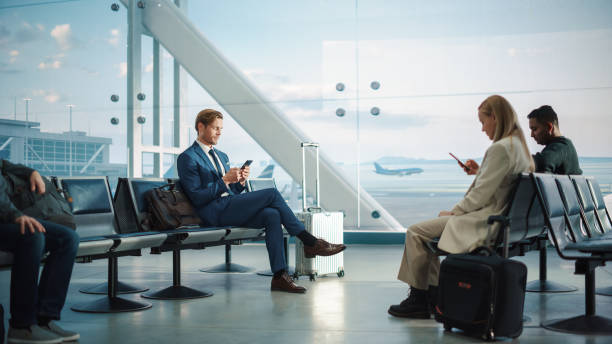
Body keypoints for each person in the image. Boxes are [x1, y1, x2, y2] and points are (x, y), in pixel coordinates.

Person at [388, 95, 534, 318]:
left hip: (486, 222)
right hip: (505, 222)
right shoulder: (519, 149)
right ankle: (433, 297)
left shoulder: (500, 149)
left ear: (494, 117)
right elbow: (499, 184)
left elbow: (480, 195)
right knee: (429, 232)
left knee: (416, 232)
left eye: (483, 122)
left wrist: (454, 212)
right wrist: (480, 171)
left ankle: (420, 299)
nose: (483, 129)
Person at [177, 109, 346, 293]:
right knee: (272, 194)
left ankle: (279, 276)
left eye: (221, 128)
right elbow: (197, 197)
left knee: (271, 215)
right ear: (201, 127)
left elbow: (230, 191)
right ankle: (309, 241)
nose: (219, 132)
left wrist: (239, 182)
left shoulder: (221, 155)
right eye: (215, 128)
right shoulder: (188, 157)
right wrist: (225, 180)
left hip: (228, 207)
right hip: (211, 212)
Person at [0, 161, 80, 343]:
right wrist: (15, 215)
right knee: (32, 235)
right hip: (6, 216)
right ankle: (22, 325)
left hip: (5, 217)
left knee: (68, 239)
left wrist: (32, 172)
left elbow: (4, 165)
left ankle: (44, 319)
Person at [527, 105, 582, 175]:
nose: (531, 135)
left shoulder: (561, 147)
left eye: (534, 129)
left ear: (549, 127)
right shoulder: (564, 146)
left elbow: (542, 163)